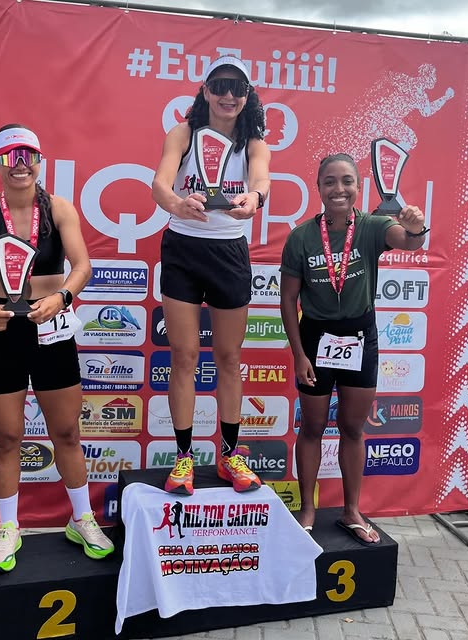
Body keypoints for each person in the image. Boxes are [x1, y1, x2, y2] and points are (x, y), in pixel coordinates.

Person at [0, 124, 114, 572]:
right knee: (7, 438)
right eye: (10, 156)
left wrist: (62, 297)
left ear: (40, 161)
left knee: (67, 433)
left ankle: (81, 519)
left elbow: (82, 265)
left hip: (52, 327)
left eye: (28, 155)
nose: (20, 164)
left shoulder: (59, 209)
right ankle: (9, 529)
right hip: (0, 330)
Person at [280, 153, 428, 545]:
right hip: (315, 338)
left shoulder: (372, 226)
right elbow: (287, 300)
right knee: (312, 427)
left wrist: (416, 230)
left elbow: (407, 241)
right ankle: (307, 510)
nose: (339, 189)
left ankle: (351, 511)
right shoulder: (301, 237)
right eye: (330, 181)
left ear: (359, 187)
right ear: (318, 187)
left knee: (351, 427)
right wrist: (299, 354)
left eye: (347, 180)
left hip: (361, 336)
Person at [152, 56, 271, 495]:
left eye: (237, 88)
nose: (228, 95)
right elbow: (160, 183)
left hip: (229, 252)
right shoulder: (184, 133)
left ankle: (230, 455)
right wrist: (176, 204)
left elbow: (261, 180)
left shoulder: (253, 141)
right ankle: (183, 458)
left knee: (228, 358)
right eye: (219, 86)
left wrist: (254, 199)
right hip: (183, 248)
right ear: (205, 91)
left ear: (247, 96)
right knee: (184, 357)